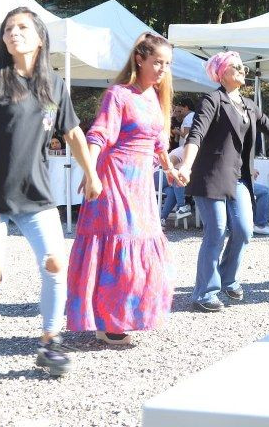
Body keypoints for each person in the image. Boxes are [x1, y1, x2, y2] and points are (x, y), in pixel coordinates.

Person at [0, 7, 101, 385]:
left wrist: (92, 173)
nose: (13, 33)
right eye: (7, 29)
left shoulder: (54, 85)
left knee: (55, 263)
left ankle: (51, 341)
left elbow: (73, 135)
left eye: (22, 27)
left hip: (35, 196)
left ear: (39, 36)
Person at [66, 32, 180, 346]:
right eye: (158, 62)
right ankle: (108, 322)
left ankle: (123, 316)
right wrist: (90, 173)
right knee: (118, 247)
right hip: (115, 178)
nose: (162, 69)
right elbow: (98, 136)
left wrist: (170, 170)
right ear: (139, 59)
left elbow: (158, 144)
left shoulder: (154, 99)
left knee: (144, 247)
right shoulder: (118, 94)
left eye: (167, 64)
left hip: (142, 184)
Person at [176, 52, 269, 312]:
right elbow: (196, 134)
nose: (243, 70)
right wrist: (187, 165)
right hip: (210, 176)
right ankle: (204, 293)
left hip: (238, 178)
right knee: (216, 231)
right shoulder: (212, 100)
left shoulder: (248, 105)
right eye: (236, 67)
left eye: (243, 67)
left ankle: (228, 278)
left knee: (245, 230)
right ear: (222, 73)